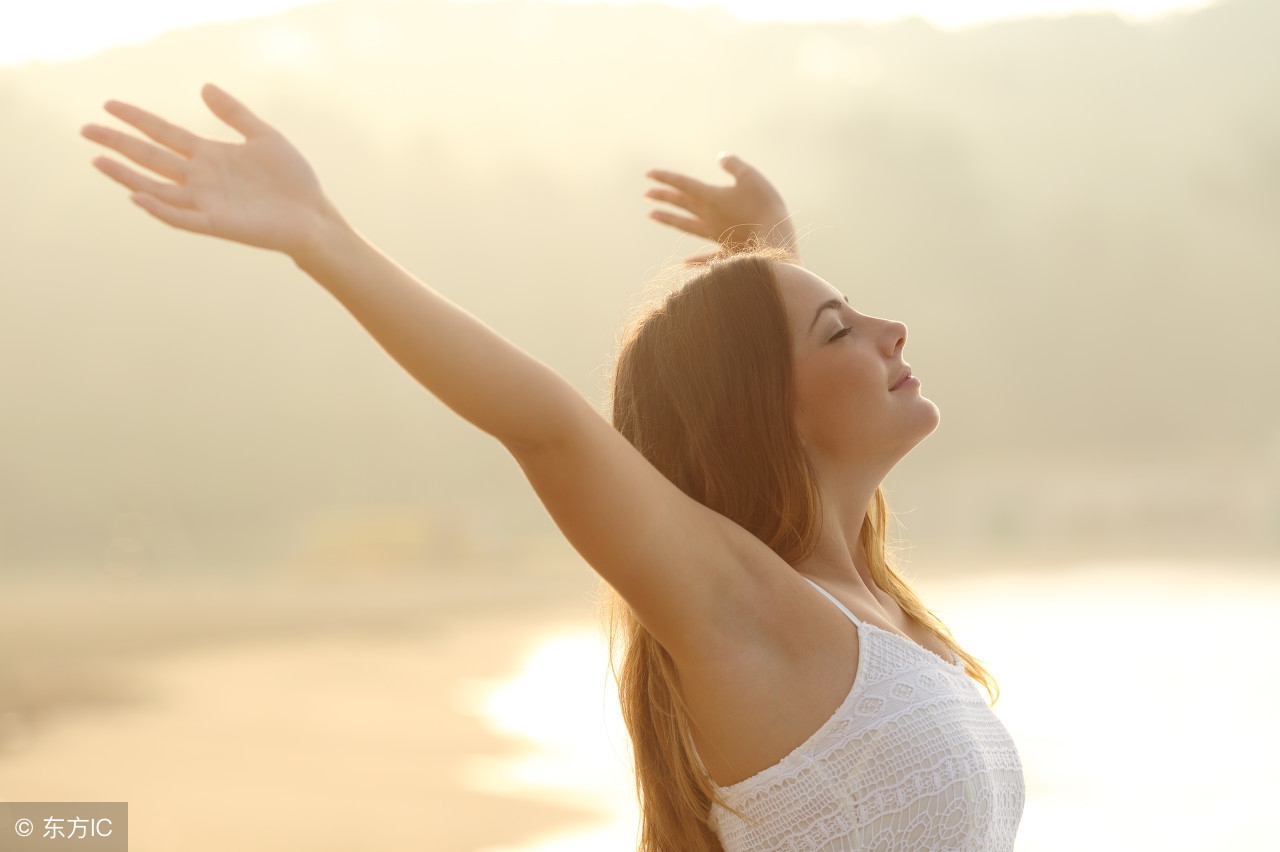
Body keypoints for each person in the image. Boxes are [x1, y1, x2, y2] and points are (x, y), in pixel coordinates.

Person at [81, 85, 1025, 852]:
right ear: (760, 408)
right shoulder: (747, 612)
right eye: (841, 328)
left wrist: (768, 249)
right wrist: (322, 235)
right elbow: (549, 431)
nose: (893, 330)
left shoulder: (863, 608)